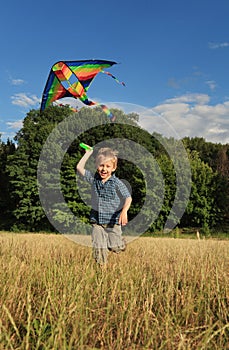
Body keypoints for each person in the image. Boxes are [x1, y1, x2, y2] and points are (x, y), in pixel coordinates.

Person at [76, 146, 132, 265]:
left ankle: (120, 244)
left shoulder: (117, 183)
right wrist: (88, 153)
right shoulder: (94, 179)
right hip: (97, 221)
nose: (104, 169)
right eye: (101, 165)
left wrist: (124, 211)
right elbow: (79, 167)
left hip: (113, 222)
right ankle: (102, 270)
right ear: (97, 166)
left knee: (114, 247)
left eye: (107, 166)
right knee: (99, 247)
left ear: (113, 168)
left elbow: (128, 197)